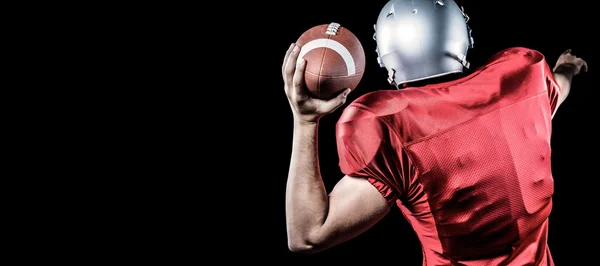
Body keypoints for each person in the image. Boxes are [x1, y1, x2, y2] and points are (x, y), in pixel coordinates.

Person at [282, 0, 587, 265]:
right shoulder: (524, 82)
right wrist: (567, 68)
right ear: (459, 34)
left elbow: (309, 235)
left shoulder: (395, 128)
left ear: (387, 53)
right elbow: (556, 89)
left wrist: (306, 121)